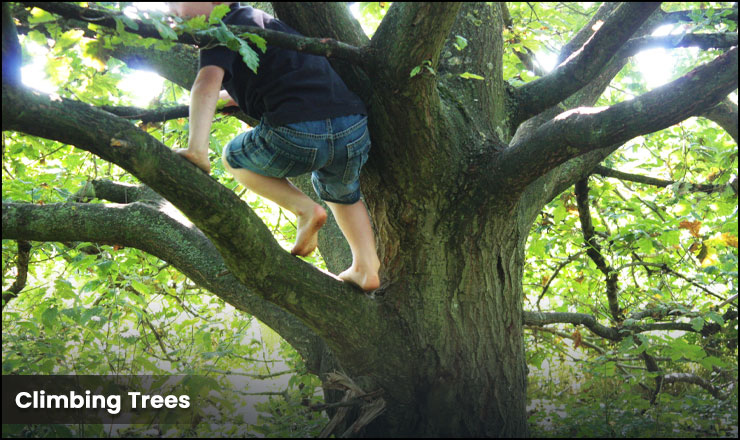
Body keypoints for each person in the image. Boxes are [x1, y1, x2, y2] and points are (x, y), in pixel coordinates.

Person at [167, 2, 380, 291]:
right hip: (351, 127)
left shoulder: (222, 28)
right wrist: (227, 98)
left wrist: (196, 149)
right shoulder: (260, 23)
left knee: (234, 156)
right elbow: (273, 77)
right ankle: (366, 267)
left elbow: (206, 82)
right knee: (343, 194)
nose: (171, 7)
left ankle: (304, 209)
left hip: (299, 129)